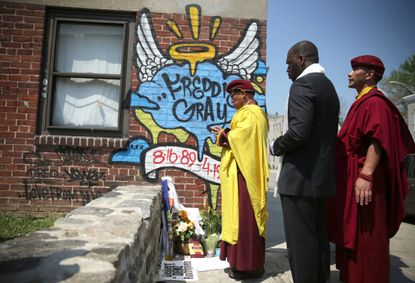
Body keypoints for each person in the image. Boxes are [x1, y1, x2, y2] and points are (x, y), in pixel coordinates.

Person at [328, 55, 415, 283]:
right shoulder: (361, 101)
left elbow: (378, 140)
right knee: (353, 237)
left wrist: (366, 174)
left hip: (365, 185)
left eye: (356, 69)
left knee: (367, 238)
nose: (349, 73)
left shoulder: (376, 102)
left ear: (370, 74)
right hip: (352, 183)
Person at [270, 40, 340, 283]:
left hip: (300, 181)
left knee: (301, 249)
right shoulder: (328, 86)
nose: (286, 69)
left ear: (301, 60)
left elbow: (299, 132)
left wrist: (275, 145)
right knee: (319, 244)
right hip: (320, 181)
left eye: (289, 63)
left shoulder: (302, 85)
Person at [211, 79, 269, 280]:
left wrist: (223, 134)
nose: (232, 99)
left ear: (244, 93)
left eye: (234, 94)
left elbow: (240, 138)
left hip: (245, 175)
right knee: (244, 218)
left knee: (244, 219)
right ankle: (249, 264)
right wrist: (227, 134)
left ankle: (247, 266)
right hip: (245, 172)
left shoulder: (251, 115)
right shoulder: (251, 114)